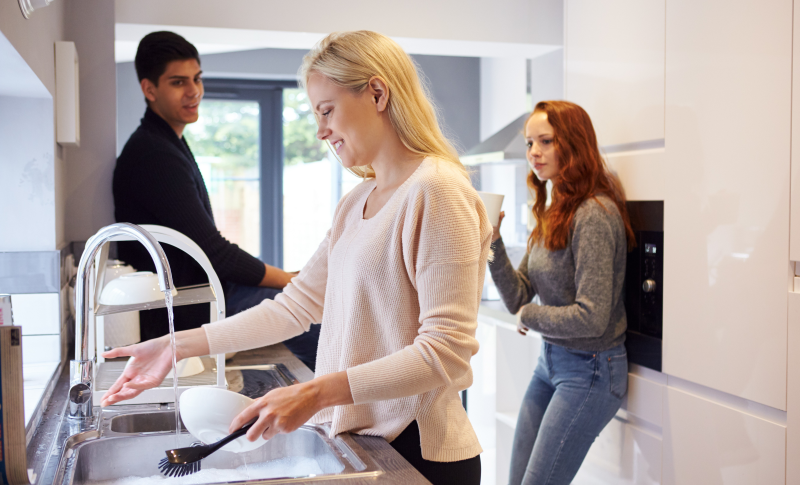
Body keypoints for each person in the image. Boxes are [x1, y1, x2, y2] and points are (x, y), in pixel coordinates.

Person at [101, 30, 491, 485]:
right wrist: (175, 346)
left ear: (378, 93)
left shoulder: (438, 190)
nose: (321, 130)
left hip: (418, 452)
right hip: (363, 441)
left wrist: (316, 393)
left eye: (327, 110)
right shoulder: (357, 201)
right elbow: (296, 305)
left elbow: (445, 353)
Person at [112, 31, 320, 370]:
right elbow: (214, 252)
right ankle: (352, 400)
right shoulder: (153, 154)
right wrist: (287, 279)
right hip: (188, 307)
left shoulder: (165, 143)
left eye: (196, 79)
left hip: (201, 296)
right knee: (302, 312)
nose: (194, 91)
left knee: (303, 309)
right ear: (150, 90)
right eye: (178, 82)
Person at [489, 100, 635, 485]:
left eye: (546, 141)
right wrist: (491, 243)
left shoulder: (594, 214)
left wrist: (530, 317)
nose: (534, 152)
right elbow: (518, 297)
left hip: (592, 370)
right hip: (551, 362)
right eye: (529, 143)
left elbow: (591, 315)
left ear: (572, 143)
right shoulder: (554, 210)